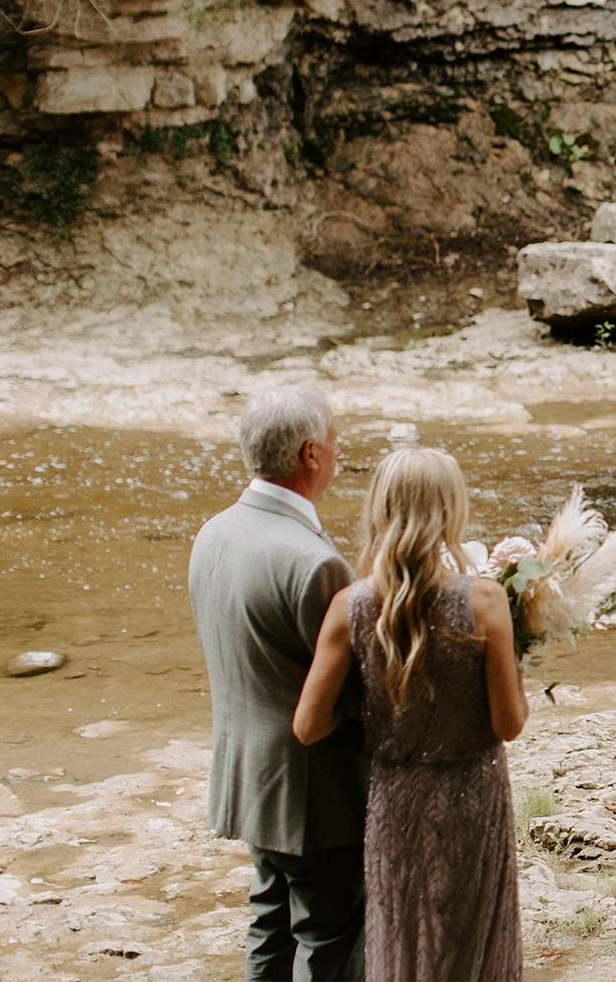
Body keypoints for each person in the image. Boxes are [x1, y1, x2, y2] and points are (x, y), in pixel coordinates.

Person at [293, 447, 528, 981]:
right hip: (474, 796)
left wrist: (372, 711)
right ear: (451, 511)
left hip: (396, 800)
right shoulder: (485, 601)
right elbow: (509, 724)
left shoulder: (350, 606)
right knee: (473, 940)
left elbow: (308, 726)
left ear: (380, 509)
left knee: (403, 936)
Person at [188, 386, 364, 980]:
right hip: (312, 792)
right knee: (330, 940)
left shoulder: (214, 532)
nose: (341, 452)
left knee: (269, 922)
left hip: (248, 775)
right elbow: (352, 690)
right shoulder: (313, 561)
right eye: (335, 440)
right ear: (311, 454)